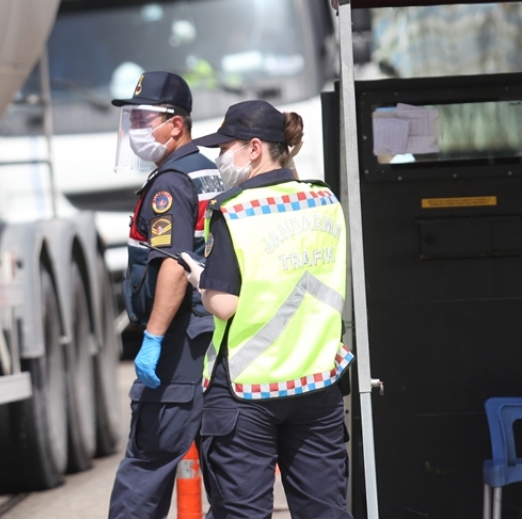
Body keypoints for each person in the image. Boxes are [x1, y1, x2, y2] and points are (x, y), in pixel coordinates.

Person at [183, 100, 353, 519]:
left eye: (228, 146)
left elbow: (224, 305)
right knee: (325, 511)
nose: (222, 156)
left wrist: (198, 281)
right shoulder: (324, 200)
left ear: (254, 148)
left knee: (243, 513)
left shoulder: (234, 210)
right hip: (316, 382)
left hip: (247, 391)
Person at [108, 71, 225, 519]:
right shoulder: (207, 171)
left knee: (146, 466)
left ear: (175, 124)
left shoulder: (172, 182)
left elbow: (175, 264)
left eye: (143, 117)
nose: (135, 128)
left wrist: (153, 338)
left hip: (179, 344)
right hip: (210, 334)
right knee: (229, 483)